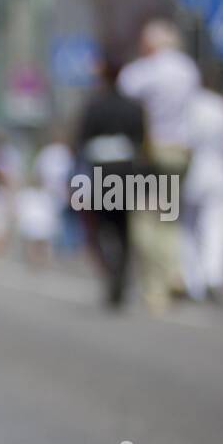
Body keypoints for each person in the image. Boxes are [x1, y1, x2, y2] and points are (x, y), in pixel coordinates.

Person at [117, 19, 200, 313]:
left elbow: (124, 103)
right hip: (181, 151)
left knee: (143, 219)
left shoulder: (141, 73)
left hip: (151, 152)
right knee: (169, 217)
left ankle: (155, 288)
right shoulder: (188, 70)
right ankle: (174, 270)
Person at [77, 56, 146, 309]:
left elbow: (81, 142)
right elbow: (141, 142)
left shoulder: (94, 106)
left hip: (101, 173)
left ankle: (112, 271)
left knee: (103, 226)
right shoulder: (133, 106)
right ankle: (121, 274)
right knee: (124, 226)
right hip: (127, 172)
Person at [181, 74, 223, 303]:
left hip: (193, 171)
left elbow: (182, 142)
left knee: (188, 228)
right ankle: (213, 277)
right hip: (219, 172)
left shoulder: (188, 106)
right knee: (216, 226)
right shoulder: (222, 106)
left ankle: (192, 280)